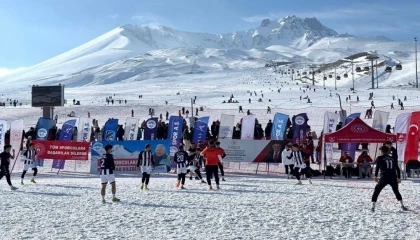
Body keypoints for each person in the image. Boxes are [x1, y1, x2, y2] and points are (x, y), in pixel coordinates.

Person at [371, 146, 408, 212]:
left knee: (377, 190)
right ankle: (402, 205)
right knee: (396, 191)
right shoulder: (392, 158)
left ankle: (373, 206)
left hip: (384, 176)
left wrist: (375, 176)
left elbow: (377, 168)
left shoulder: (380, 158)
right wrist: (399, 177)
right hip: (393, 176)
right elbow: (397, 168)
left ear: (382, 151)